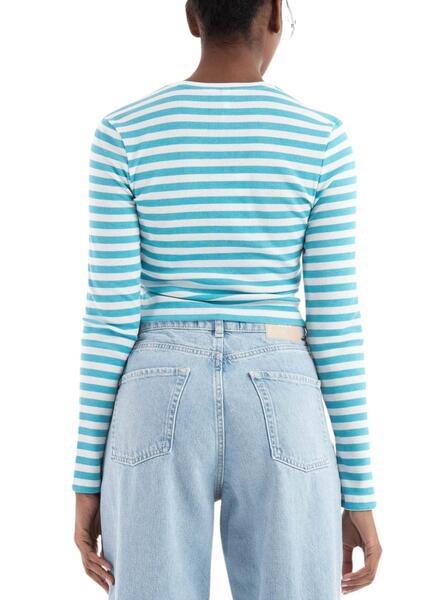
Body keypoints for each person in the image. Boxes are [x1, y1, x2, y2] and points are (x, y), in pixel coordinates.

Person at [73, 0, 382, 597]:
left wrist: (88, 480)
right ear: (274, 15)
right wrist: (360, 491)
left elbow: (110, 319)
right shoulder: (321, 139)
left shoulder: (122, 134)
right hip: (282, 390)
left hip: (155, 386)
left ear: (192, 17)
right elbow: (335, 323)